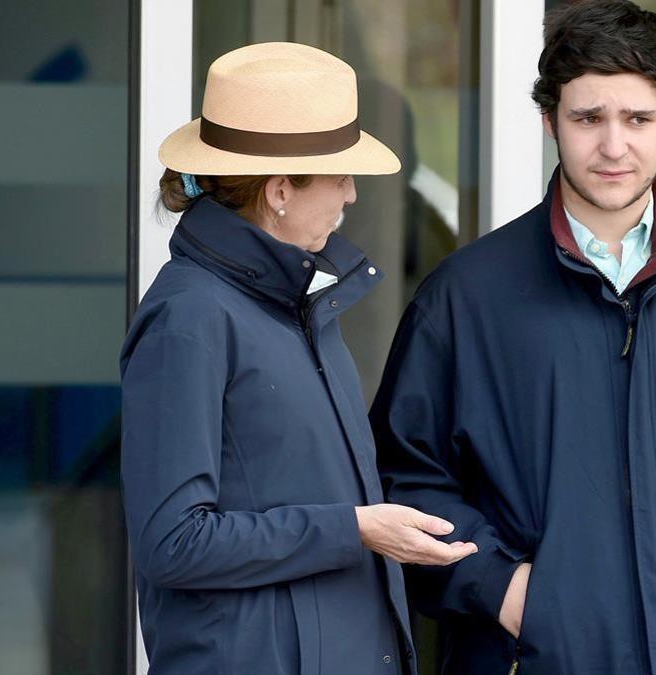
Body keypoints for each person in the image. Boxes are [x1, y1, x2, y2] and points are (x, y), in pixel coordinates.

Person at [369, 2, 656, 673]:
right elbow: (407, 477)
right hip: (529, 656)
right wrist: (508, 590)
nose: (613, 146)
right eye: (588, 118)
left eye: (637, 119)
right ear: (550, 121)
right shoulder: (465, 296)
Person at [121, 42, 476, 675]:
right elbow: (173, 542)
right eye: (342, 176)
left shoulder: (296, 303)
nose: (352, 196)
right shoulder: (190, 318)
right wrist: (355, 529)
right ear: (281, 189)